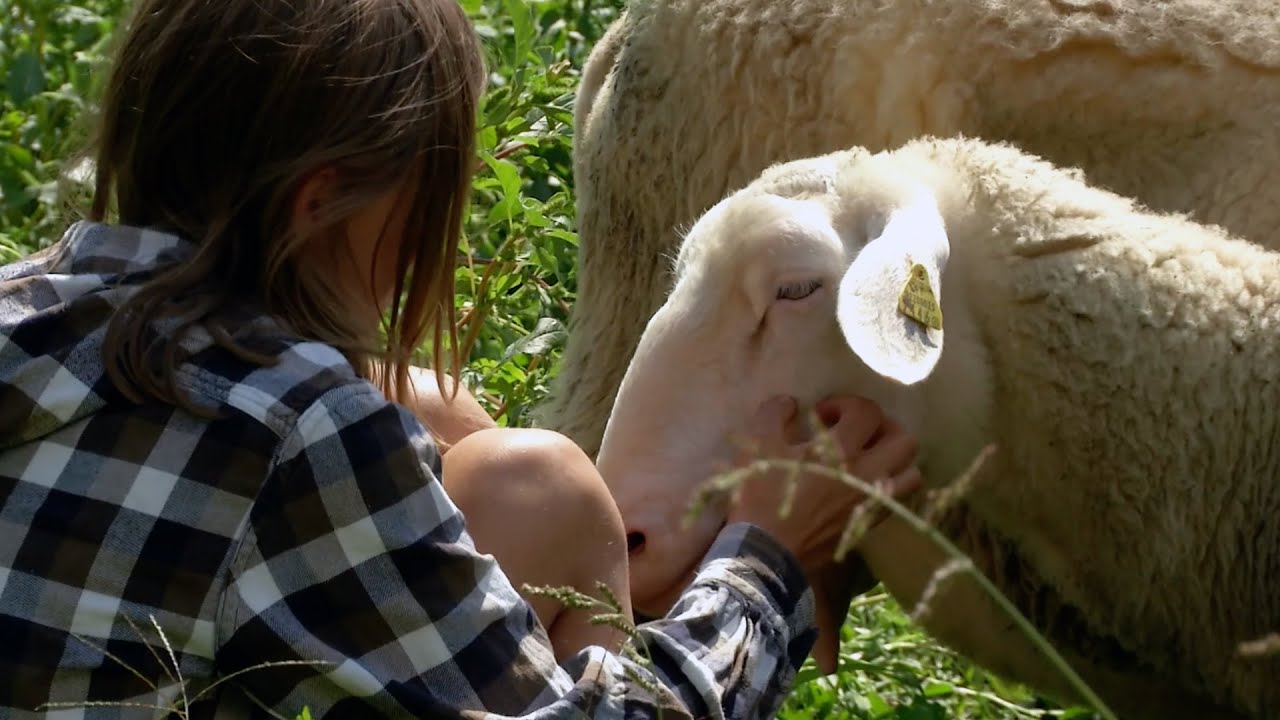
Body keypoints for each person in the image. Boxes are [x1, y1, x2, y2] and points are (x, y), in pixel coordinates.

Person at [0, 0, 923, 718]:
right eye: (429, 196)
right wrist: (768, 558)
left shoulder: (20, 306)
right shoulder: (301, 434)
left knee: (473, 444)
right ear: (321, 206)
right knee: (545, 483)